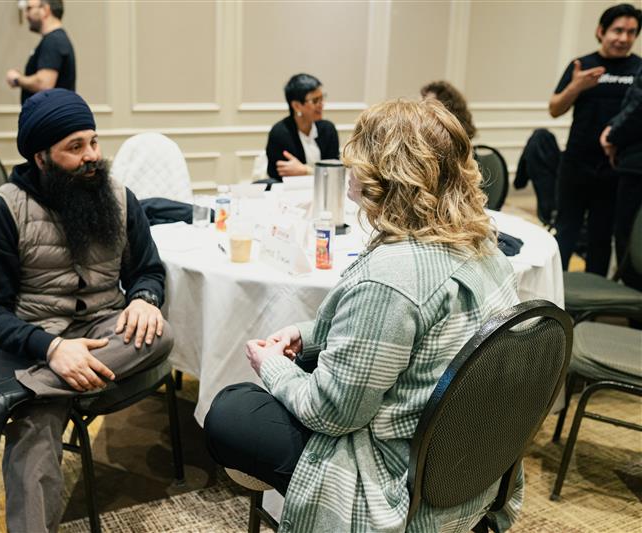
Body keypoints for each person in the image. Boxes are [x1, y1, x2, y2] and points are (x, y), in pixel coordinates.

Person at [205, 99, 521, 532]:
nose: (349, 171)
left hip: (398, 480)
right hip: (466, 465)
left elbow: (334, 414)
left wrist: (274, 368)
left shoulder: (391, 277)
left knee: (231, 411)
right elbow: (407, 338)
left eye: (358, 161)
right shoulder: (486, 249)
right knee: (293, 375)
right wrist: (307, 335)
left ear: (383, 176)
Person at [0, 89, 173, 532]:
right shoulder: (5, 209)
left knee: (161, 334)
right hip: (31, 337)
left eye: (93, 142)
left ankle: (7, 395)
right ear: (41, 158)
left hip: (102, 326)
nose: (92, 156)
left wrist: (144, 299)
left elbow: (148, 270)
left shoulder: (118, 195)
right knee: (34, 431)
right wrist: (53, 348)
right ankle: (29, 395)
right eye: (75, 148)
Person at [549, 3, 641, 275]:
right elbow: (555, 109)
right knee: (566, 230)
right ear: (601, 31)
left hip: (615, 169)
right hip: (576, 164)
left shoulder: (639, 69)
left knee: (601, 237)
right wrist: (576, 87)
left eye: (631, 32)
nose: (624, 38)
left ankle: (592, 301)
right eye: (617, 30)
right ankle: (555, 296)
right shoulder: (583, 65)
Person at [601, 64, 642, 288]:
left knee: (630, 243)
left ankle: (633, 314)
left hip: (637, 166)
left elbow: (637, 107)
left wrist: (612, 136)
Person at [265, 73, 339, 180]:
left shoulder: (328, 130)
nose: (321, 104)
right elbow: (277, 176)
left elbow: (334, 172)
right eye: (315, 101)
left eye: (322, 98)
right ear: (296, 106)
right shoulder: (279, 133)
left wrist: (306, 171)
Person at [6, 0, 75, 104]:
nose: (26, 15)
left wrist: (17, 79)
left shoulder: (53, 41)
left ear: (45, 10)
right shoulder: (54, 39)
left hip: (51, 118)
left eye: (29, 9)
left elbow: (44, 84)